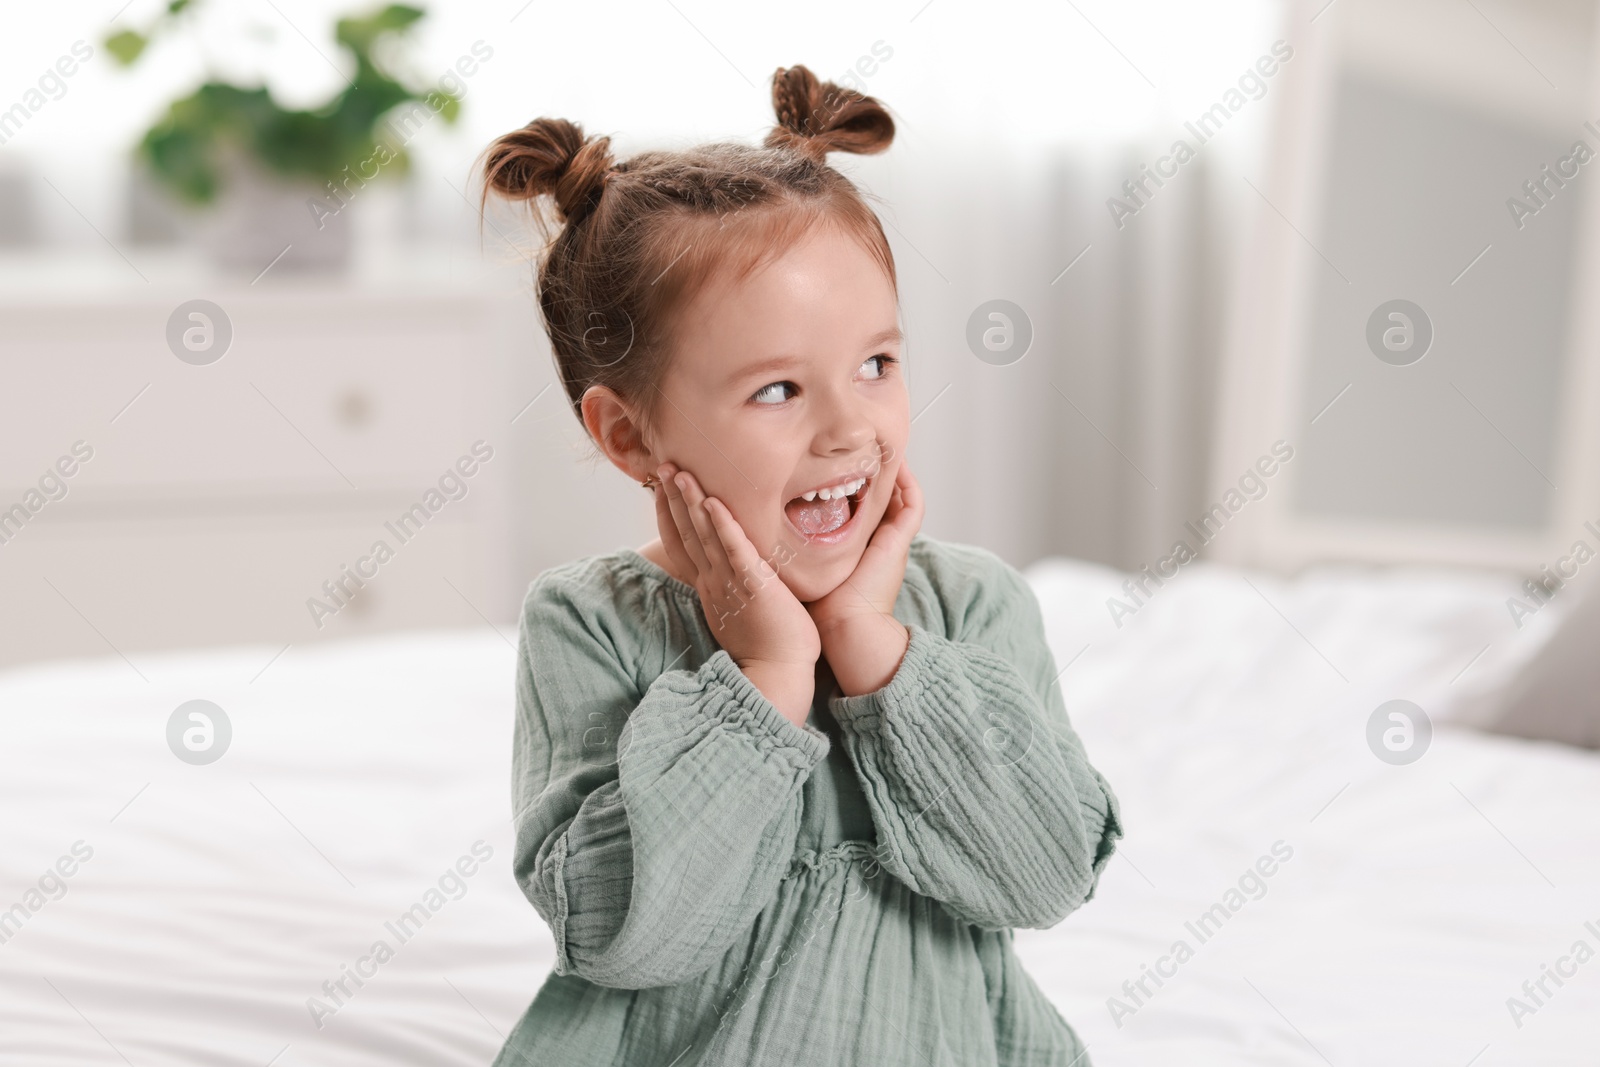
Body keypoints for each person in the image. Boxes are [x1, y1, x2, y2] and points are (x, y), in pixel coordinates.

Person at [478, 63, 1123, 1066]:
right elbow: (623, 935)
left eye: (876, 364)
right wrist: (767, 675)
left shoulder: (973, 605)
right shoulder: (590, 623)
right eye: (778, 388)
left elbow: (1042, 876)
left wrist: (873, 645)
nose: (848, 428)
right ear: (630, 435)